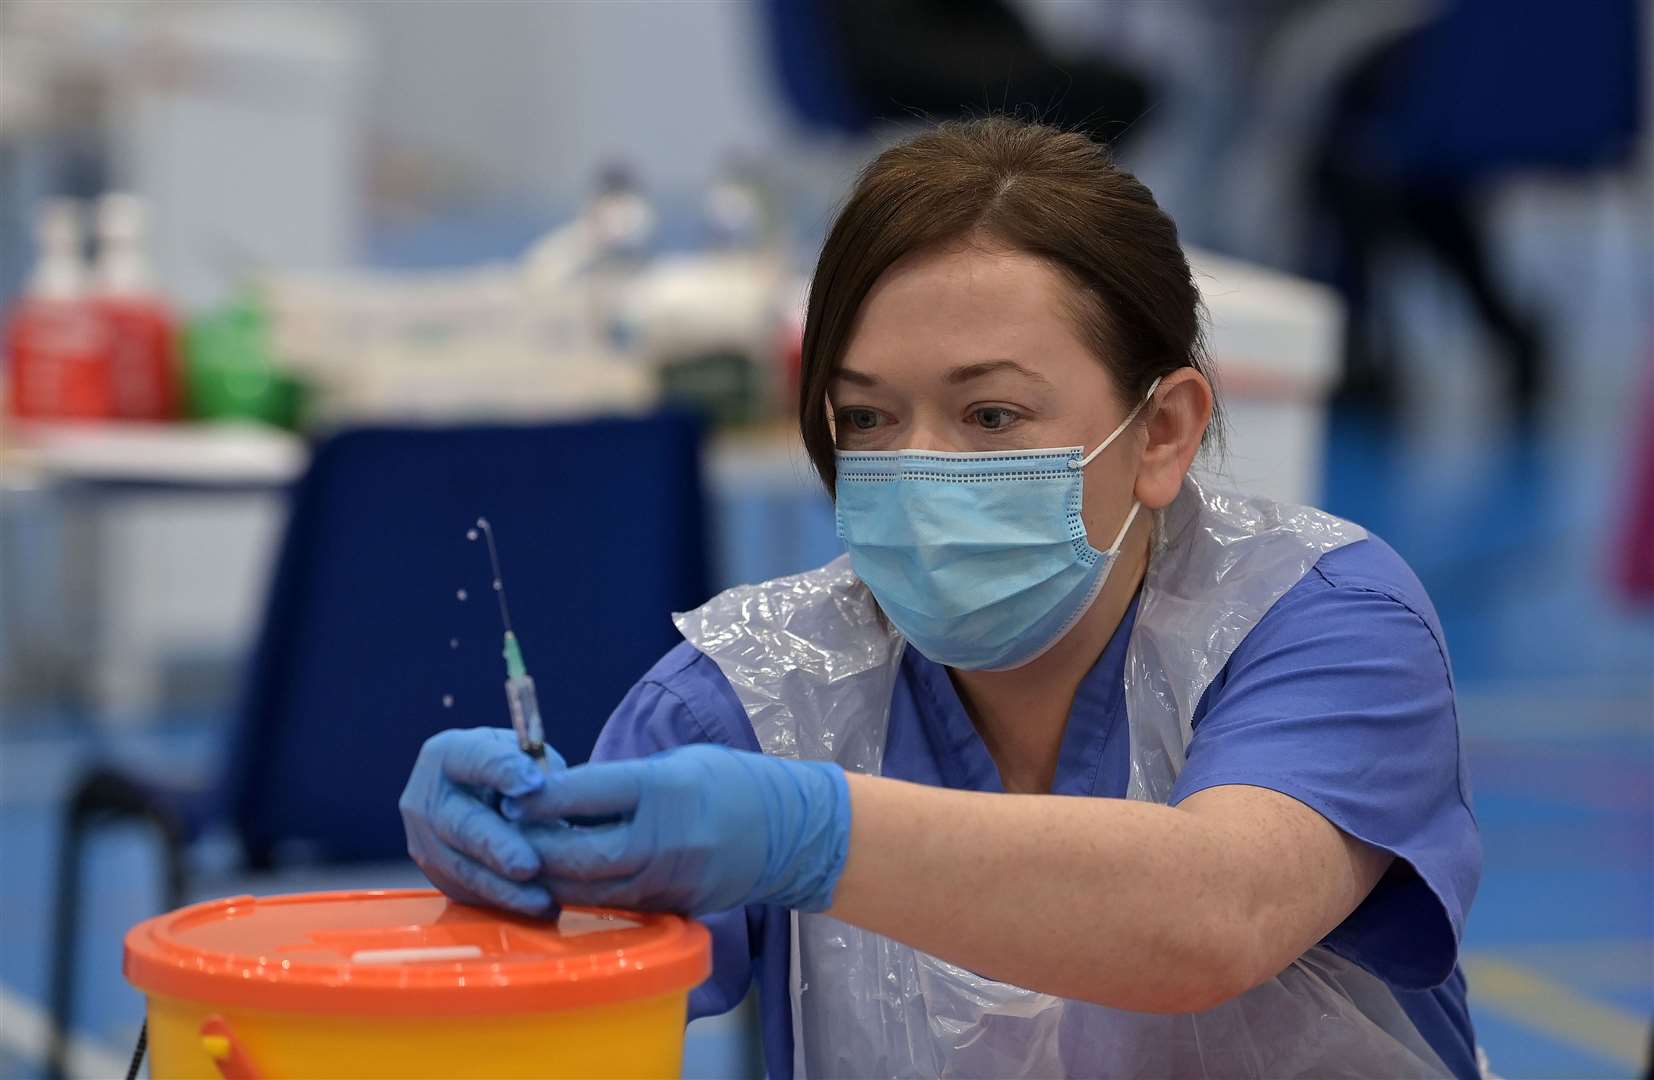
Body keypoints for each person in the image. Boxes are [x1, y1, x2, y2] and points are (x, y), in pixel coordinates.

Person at [401, 117, 1482, 1078]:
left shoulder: (1314, 620)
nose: (917, 472)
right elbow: (554, 1018)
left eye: (991, 417)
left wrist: (807, 832)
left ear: (1162, 431)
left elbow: (1213, 915)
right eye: (868, 420)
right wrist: (506, 886)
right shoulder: (749, 695)